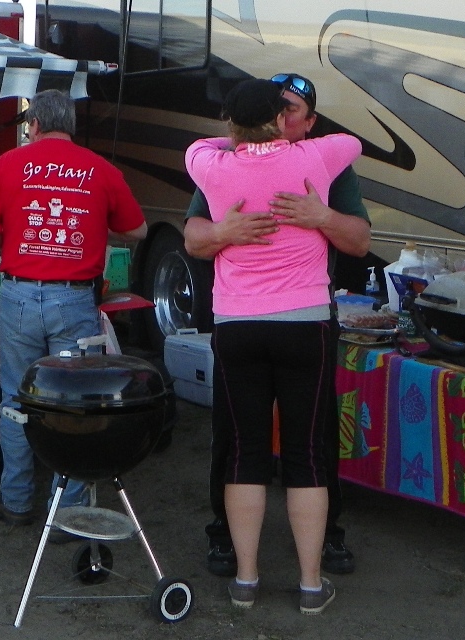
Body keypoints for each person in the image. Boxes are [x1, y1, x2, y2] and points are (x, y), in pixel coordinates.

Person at [184, 77, 362, 614]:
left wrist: (232, 145)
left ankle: (246, 579)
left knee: (245, 451)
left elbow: (197, 149)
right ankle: (310, 585)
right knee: (307, 454)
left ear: (230, 122)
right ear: (281, 118)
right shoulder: (317, 158)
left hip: (237, 322)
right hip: (304, 322)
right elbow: (352, 141)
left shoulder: (212, 165)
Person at [0, 89, 147, 531]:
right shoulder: (100, 169)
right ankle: (66, 512)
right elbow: (137, 229)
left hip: (19, 297)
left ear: (34, 126)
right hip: (74, 299)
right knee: (74, 405)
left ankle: (15, 501)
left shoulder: (10, 164)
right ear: (70, 125)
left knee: (16, 397)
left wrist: (17, 235)